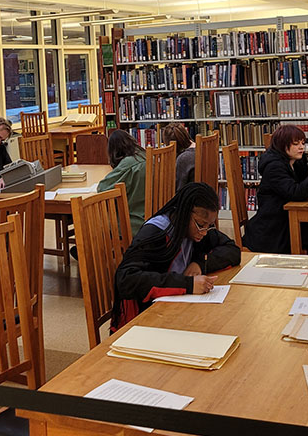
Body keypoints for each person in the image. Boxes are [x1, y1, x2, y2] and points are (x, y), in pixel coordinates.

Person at [111, 182, 240, 330]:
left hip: (174, 307)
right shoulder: (156, 233)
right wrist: (188, 284)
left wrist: (199, 263)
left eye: (209, 226)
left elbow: (232, 250)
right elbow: (126, 279)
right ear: (184, 214)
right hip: (143, 319)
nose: (204, 232)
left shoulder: (197, 231)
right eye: (200, 224)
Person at [242, 124, 308, 257]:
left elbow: (303, 183)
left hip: (291, 220)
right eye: (296, 143)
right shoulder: (274, 167)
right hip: (275, 229)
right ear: (282, 145)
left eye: (303, 143)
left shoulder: (294, 161)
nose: (301, 147)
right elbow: (296, 192)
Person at [97, 130, 146, 237]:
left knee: (94, 211)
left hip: (135, 221)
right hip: (153, 216)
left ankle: (91, 250)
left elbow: (102, 188)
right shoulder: (145, 155)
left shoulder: (129, 163)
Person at [162, 122, 195, 192]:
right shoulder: (201, 147)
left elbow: (178, 189)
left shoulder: (183, 158)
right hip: (203, 195)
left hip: (189, 197)